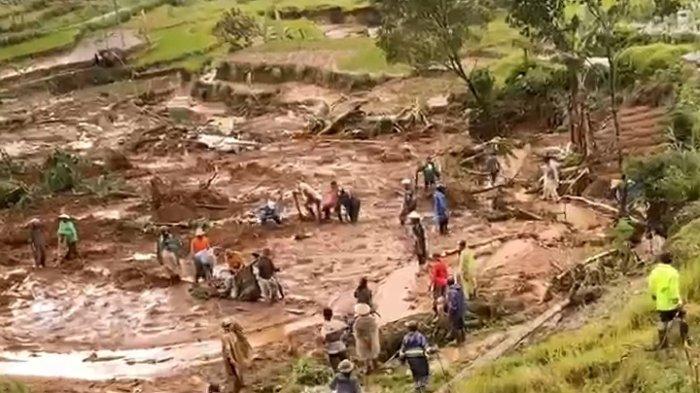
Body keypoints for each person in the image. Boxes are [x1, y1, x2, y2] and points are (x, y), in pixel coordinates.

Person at [648, 252, 689, 349]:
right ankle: (685, 340)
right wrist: (677, 302)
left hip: (661, 303)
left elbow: (651, 285)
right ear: (671, 261)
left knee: (663, 321)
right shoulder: (673, 272)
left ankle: (663, 343)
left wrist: (654, 295)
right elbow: (673, 289)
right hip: (672, 303)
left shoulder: (655, 272)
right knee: (682, 317)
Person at [220, 318, 252, 393]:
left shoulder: (233, 334)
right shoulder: (226, 336)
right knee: (235, 371)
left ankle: (241, 383)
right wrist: (231, 359)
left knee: (240, 368)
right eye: (231, 325)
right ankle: (237, 387)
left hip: (236, 354)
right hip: (232, 355)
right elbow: (228, 349)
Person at [399, 321, 431, 393]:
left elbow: (402, 349)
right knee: (424, 370)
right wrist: (428, 350)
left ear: (408, 329)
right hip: (420, 356)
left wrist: (402, 357)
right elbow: (425, 345)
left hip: (410, 358)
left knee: (415, 371)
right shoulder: (420, 336)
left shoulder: (406, 337)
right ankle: (422, 386)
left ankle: (417, 385)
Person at [352, 303, 380, 373]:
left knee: (366, 356)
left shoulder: (358, 322)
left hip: (363, 341)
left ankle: (368, 368)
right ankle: (376, 365)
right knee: (374, 352)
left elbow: (358, 334)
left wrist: (365, 340)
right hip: (373, 339)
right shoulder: (372, 319)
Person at [445, 277, 466, 343]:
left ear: (448, 284)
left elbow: (453, 304)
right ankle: (463, 340)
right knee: (461, 326)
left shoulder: (451, 292)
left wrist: (450, 313)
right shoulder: (459, 289)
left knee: (456, 327)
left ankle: (459, 342)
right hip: (462, 310)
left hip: (455, 312)